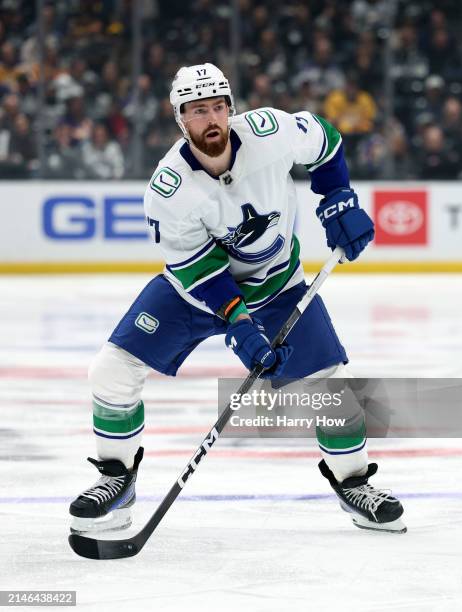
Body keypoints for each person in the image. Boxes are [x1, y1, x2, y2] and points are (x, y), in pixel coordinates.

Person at [69, 63, 405, 535]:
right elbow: (200, 271)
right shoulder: (169, 190)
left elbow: (326, 141)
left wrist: (338, 199)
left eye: (217, 107)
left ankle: (353, 483)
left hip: (277, 285)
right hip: (192, 293)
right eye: (196, 111)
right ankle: (117, 481)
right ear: (180, 120)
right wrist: (240, 325)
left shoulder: (271, 133)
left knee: (334, 386)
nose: (210, 119)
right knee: (111, 369)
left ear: (231, 109)